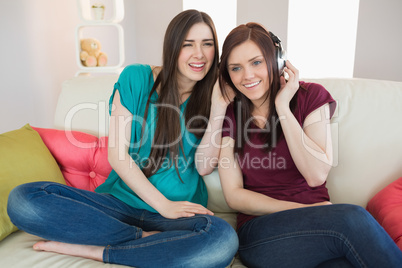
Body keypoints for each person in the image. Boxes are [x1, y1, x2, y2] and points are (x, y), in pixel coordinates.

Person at [7, 10, 238, 268]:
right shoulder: (136, 78)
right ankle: (142, 240)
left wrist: (219, 108)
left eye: (207, 44)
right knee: (23, 200)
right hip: (119, 205)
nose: (200, 54)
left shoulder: (215, 96)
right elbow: (117, 155)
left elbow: (205, 166)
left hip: (177, 216)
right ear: (172, 47)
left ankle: (100, 251)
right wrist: (163, 205)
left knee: (223, 240)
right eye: (188, 44)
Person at [217, 22, 402, 268]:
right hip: (262, 232)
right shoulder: (231, 114)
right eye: (236, 68)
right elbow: (234, 196)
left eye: (256, 62)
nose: (247, 76)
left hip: (321, 229)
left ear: (277, 60)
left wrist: (283, 107)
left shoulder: (311, 96)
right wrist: (300, 210)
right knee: (352, 217)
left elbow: (316, 175)